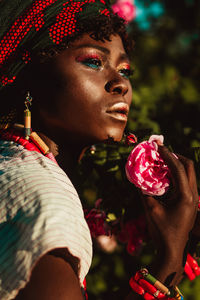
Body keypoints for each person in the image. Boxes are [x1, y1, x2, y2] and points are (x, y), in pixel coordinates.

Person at [0, 0, 199, 299]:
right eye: (94, 61)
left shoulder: (12, 165)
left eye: (125, 69)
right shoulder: (44, 197)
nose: (120, 83)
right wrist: (170, 258)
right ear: (32, 78)